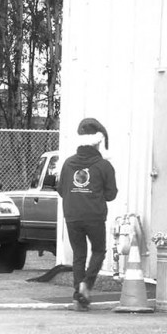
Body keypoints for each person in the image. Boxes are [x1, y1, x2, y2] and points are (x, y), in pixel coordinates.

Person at [56, 117, 118, 310]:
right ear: (99, 141)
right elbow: (111, 194)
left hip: (72, 215)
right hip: (94, 215)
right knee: (98, 250)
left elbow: (60, 190)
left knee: (79, 254)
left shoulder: (67, 164)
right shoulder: (104, 166)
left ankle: (77, 297)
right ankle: (86, 284)